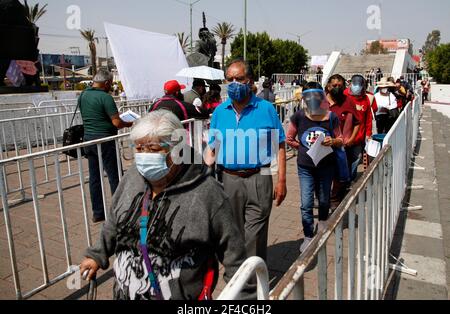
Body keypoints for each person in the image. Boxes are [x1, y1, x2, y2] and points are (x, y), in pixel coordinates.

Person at [80, 110, 249, 300]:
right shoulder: (132, 177)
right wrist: (96, 254)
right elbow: (114, 221)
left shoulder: (208, 193)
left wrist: (245, 299)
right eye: (139, 148)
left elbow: (234, 257)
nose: (143, 156)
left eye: (152, 149)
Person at [206, 59, 287, 262]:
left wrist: (282, 180)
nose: (234, 83)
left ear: (249, 81)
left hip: (260, 178)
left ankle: (253, 283)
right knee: (233, 233)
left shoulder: (266, 109)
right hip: (228, 180)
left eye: (239, 78)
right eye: (230, 79)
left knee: (255, 236)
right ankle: (236, 274)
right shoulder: (219, 112)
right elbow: (212, 148)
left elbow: (280, 145)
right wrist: (201, 177)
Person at [286, 82, 344, 253]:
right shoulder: (298, 116)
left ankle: (323, 222)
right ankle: (308, 235)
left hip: (326, 165)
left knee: (324, 198)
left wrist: (332, 141)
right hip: (305, 166)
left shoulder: (331, 117)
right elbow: (289, 138)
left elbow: (341, 139)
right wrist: (303, 149)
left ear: (322, 96)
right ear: (303, 97)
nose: (312, 99)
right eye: (308, 96)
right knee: (306, 203)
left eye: (315, 95)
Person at [78, 69, 133, 223]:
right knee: (114, 176)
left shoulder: (83, 95)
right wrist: (129, 122)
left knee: (94, 178)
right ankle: (119, 212)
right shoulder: (106, 97)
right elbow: (116, 122)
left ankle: (98, 212)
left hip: (89, 139)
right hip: (106, 140)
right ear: (107, 83)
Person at [325, 74, 361, 210]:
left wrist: (351, 139)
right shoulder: (321, 101)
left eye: (340, 86)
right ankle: (323, 197)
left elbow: (357, 122)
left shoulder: (349, 101)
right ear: (328, 86)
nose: (337, 88)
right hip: (322, 146)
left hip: (341, 146)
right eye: (334, 85)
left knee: (340, 175)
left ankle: (335, 199)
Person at [344, 75, 378, 179]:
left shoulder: (366, 99)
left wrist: (368, 134)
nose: (356, 87)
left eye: (359, 85)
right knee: (344, 159)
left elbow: (368, 119)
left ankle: (351, 178)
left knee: (356, 158)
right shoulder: (344, 95)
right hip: (344, 135)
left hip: (359, 136)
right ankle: (343, 180)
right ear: (350, 84)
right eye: (355, 84)